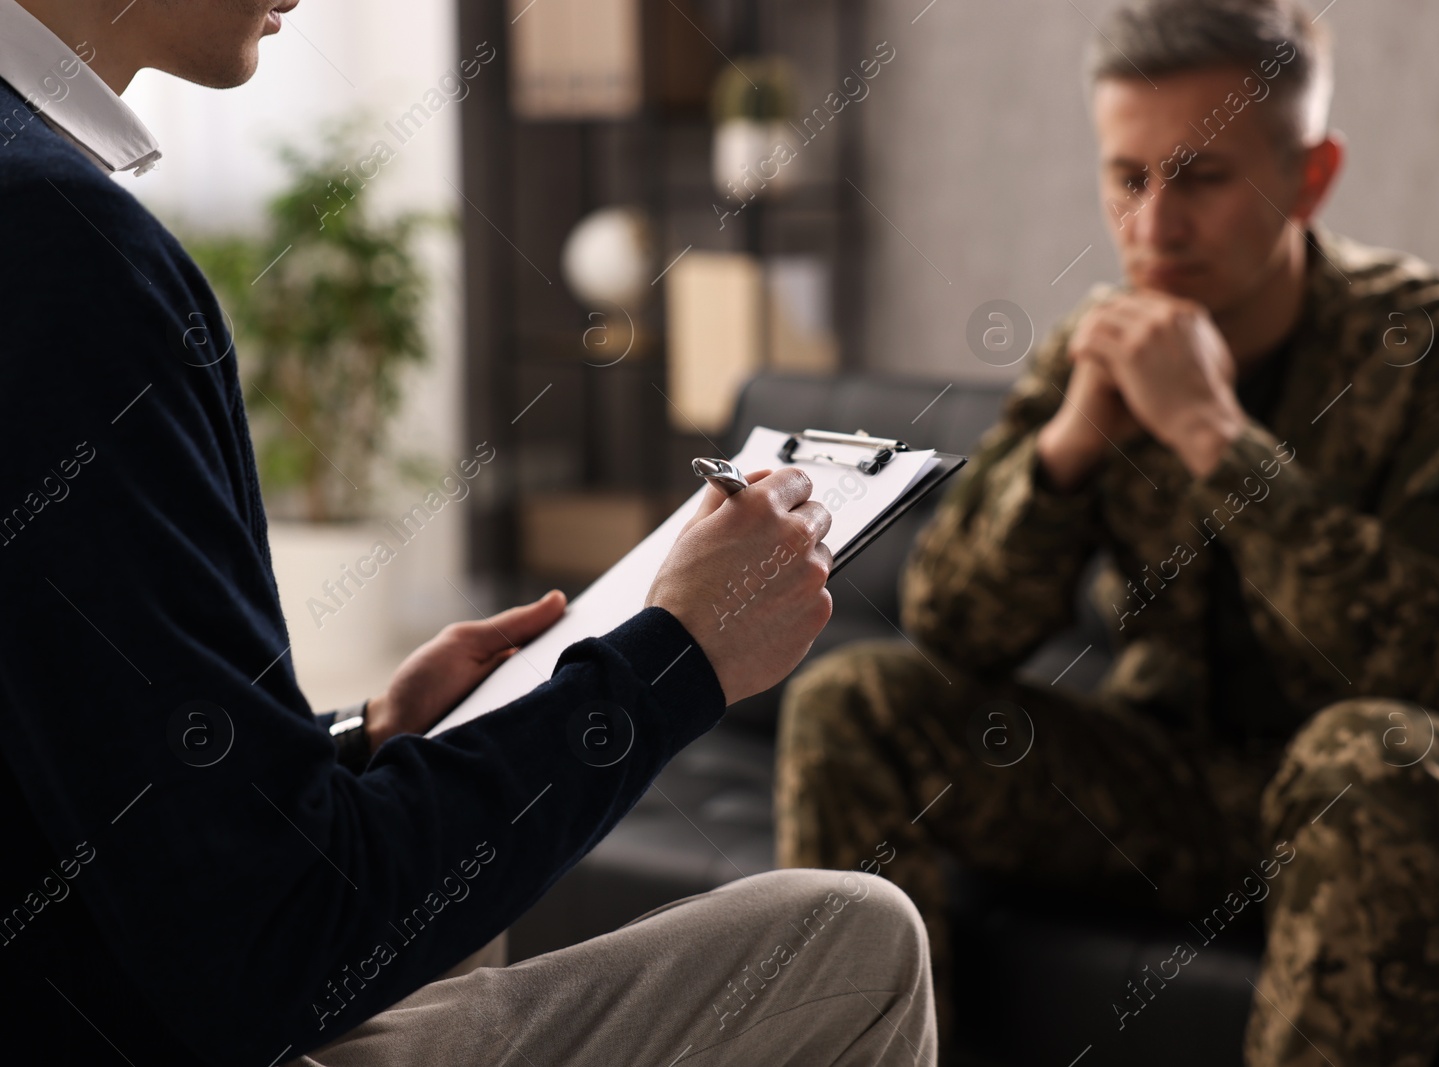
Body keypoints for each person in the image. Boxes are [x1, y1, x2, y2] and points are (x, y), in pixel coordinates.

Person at [0, 1, 935, 1064]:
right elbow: (271, 948)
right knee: (855, 945)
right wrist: (676, 656)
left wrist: (357, 746)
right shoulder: (61, 249)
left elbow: (94, 786)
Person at [775, 1, 1439, 1064]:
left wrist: (1214, 434)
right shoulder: (1098, 347)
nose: (1152, 229)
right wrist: (1070, 445)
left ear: (1310, 176)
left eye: (1201, 177)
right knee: (852, 702)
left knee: (1363, 757)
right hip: (1191, 795)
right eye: (1127, 177)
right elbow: (954, 625)